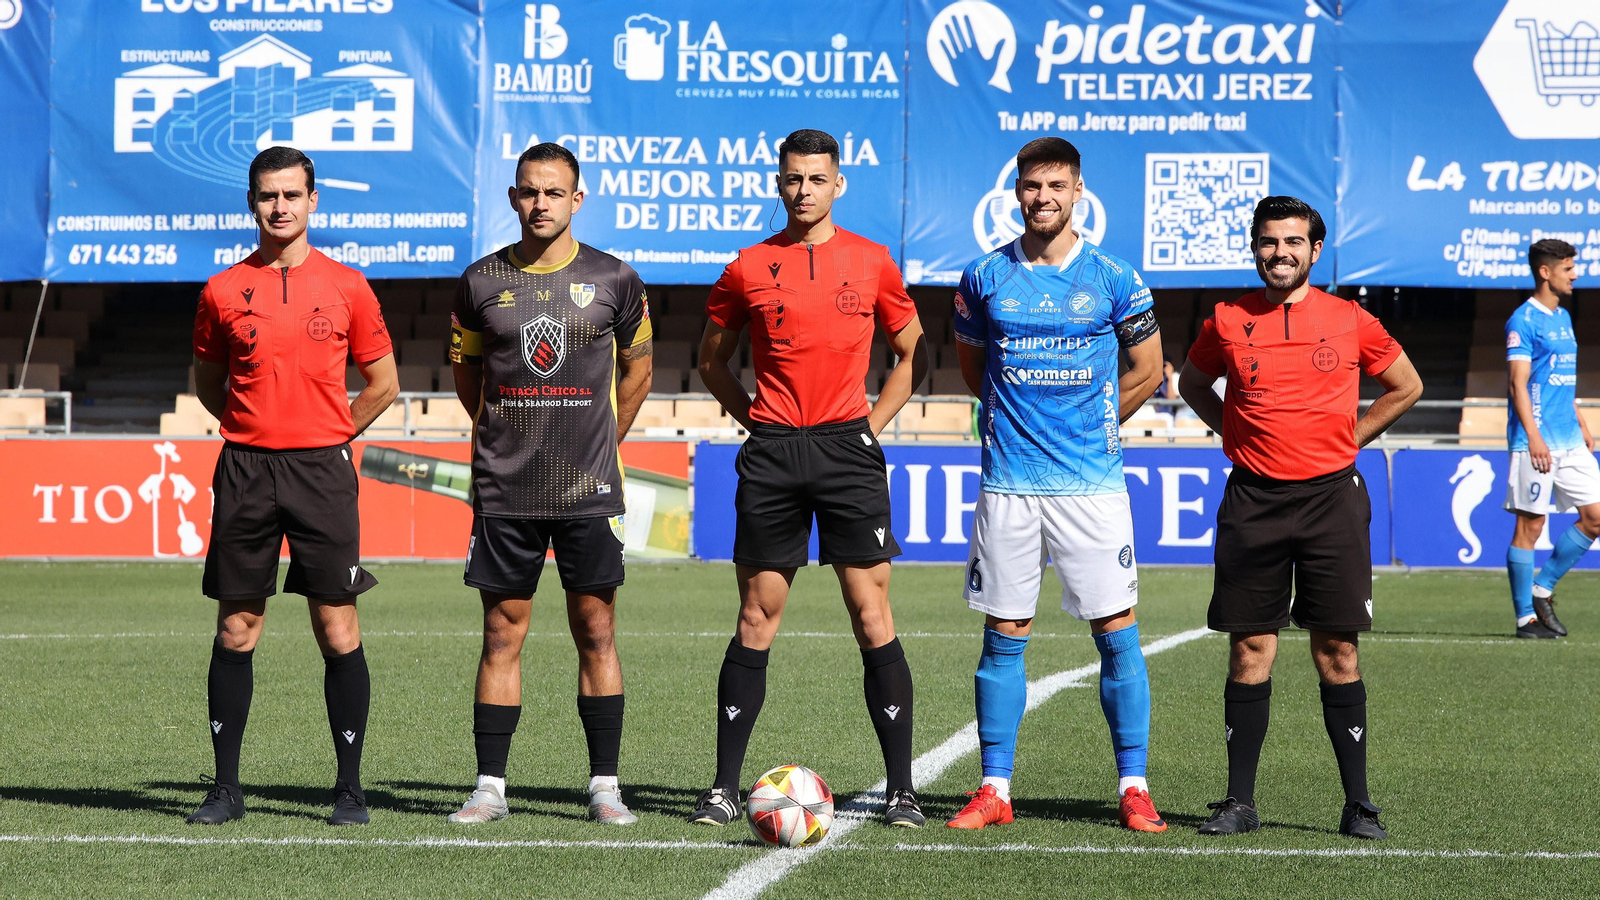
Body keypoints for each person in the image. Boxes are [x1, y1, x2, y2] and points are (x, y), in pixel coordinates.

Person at [687, 129, 930, 829]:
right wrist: (756, 422)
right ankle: (723, 789)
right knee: (757, 616)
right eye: (792, 179)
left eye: (816, 179)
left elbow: (910, 352)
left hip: (847, 450)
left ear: (838, 183)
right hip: (772, 451)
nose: (803, 191)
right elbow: (712, 361)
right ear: (778, 182)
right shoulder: (747, 266)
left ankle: (902, 791)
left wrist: (869, 426)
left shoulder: (873, 261)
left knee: (870, 613)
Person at [1178, 196, 1422, 840]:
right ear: (1255, 248)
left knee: (1337, 650)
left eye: (1292, 242)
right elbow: (1192, 386)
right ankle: (1238, 802)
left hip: (1331, 501)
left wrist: (1351, 438)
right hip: (1253, 500)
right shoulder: (1227, 320)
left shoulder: (1349, 319)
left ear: (1315, 251)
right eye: (1267, 242)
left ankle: (1358, 804)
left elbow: (1407, 385)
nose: (1279, 252)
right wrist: (1233, 437)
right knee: (1250, 646)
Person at [943, 137, 1168, 833]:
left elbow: (1148, 370)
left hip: (1091, 487)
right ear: (1016, 191)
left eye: (1056, 186)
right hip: (1009, 482)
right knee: (1004, 634)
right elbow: (971, 366)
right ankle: (994, 790)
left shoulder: (1115, 278)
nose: (1043, 198)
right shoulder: (983, 277)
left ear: (1078, 193)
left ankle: (1133, 787)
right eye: (1031, 186)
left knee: (1116, 633)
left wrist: (1098, 421)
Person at [186, 146, 399, 826]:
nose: (280, 207)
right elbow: (207, 383)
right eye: (267, 196)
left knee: (336, 628)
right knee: (237, 628)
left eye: (291, 195)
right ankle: (225, 789)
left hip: (322, 472)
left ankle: (349, 790)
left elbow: (384, 384)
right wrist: (254, 430)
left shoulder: (349, 286)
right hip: (246, 469)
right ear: (253, 203)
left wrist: (333, 434)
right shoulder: (221, 290)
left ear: (313, 201)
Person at [444, 143, 653, 826]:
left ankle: (604, 788)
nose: (541, 204)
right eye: (530, 192)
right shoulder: (479, 283)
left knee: (597, 630)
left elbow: (640, 372)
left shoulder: (616, 280)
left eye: (554, 193)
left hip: (588, 490)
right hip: (507, 491)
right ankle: (489, 789)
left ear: (577, 199)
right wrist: (507, 441)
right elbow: (469, 382)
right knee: (502, 633)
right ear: (513, 198)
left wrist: (601, 446)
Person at [1503, 239, 1596, 639]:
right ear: (1545, 271)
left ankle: (1543, 589)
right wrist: (1535, 438)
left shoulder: (1563, 317)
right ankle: (1526, 619)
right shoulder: (1522, 320)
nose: (1576, 274)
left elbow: (1561, 379)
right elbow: (1517, 384)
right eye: (1568, 268)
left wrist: (1582, 420)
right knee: (1531, 526)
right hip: (1535, 442)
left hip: (1571, 439)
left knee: (1595, 517)